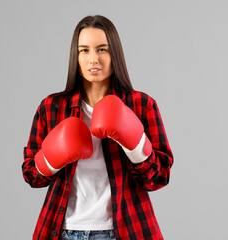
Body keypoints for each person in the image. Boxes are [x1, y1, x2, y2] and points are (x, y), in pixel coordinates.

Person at [22, 15, 173, 240]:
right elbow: (32, 176)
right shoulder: (51, 108)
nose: (94, 59)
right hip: (63, 231)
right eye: (84, 50)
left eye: (102, 49)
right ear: (76, 56)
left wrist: (136, 145)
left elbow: (159, 177)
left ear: (115, 54)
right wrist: (51, 160)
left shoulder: (141, 105)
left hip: (125, 231)